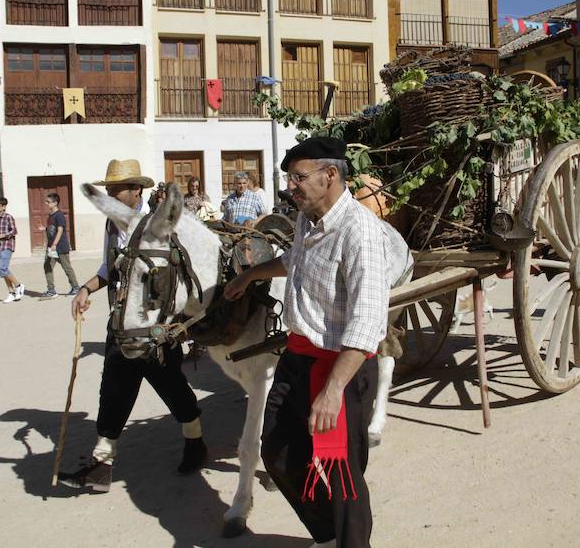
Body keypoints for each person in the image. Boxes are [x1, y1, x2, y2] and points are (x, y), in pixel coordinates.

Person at [224, 137, 387, 548]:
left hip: (340, 369)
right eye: (289, 178)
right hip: (297, 358)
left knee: (341, 474)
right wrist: (249, 275)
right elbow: (294, 261)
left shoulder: (360, 230)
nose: (290, 186)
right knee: (276, 451)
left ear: (330, 175)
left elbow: (368, 321)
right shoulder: (306, 218)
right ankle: (328, 534)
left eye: (299, 177)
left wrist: (333, 390)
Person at [59, 159, 207, 492]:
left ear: (136, 191)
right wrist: (85, 289)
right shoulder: (112, 225)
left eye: (115, 189)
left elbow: (182, 272)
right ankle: (101, 465)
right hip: (122, 323)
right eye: (107, 189)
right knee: (113, 390)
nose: (109, 195)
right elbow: (108, 267)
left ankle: (195, 442)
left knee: (171, 384)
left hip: (155, 326)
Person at [40, 193, 79, 299]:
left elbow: (60, 230)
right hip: (51, 247)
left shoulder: (59, 215)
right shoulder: (51, 215)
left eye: (48, 202)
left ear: (55, 203)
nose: (46, 203)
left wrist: (55, 244)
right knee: (47, 266)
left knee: (67, 268)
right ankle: (51, 290)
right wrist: (44, 230)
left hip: (60, 247)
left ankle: (76, 288)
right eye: (46, 201)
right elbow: (52, 229)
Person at [0, 197, 24, 304]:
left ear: (4, 207)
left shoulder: (8, 217)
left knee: (2, 268)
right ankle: (11, 292)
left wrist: (1, 236)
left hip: (7, 245)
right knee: (4, 271)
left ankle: (19, 285)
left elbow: (14, 231)